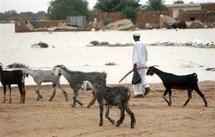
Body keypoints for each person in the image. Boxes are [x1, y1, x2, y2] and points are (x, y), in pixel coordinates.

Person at [132, 31, 150, 98]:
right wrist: (145, 62)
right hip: (143, 63)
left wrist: (135, 65)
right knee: (143, 76)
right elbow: (146, 53)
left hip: (138, 63)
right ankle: (146, 86)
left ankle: (138, 93)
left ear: (134, 37)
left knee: (137, 78)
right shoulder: (143, 43)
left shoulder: (136, 44)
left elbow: (135, 55)